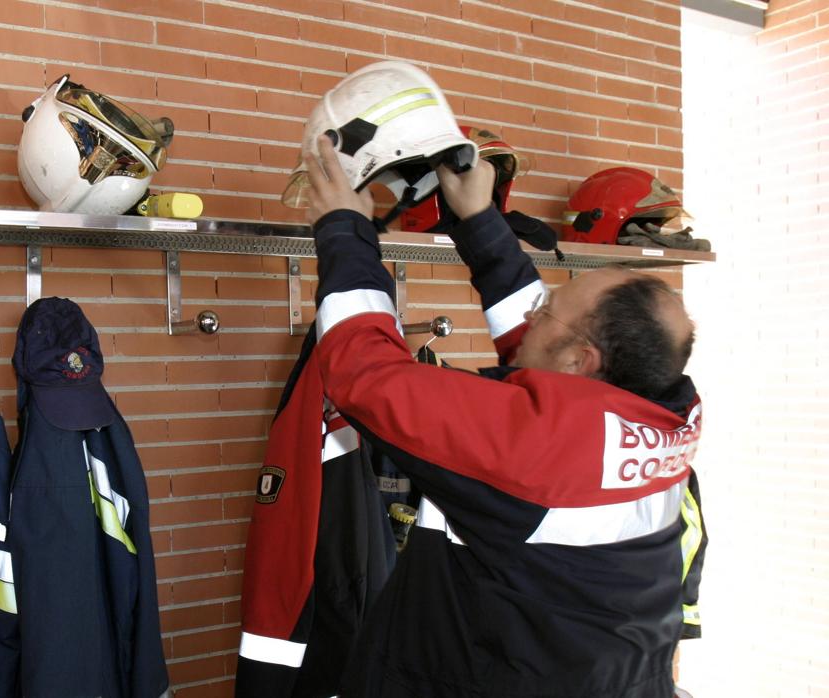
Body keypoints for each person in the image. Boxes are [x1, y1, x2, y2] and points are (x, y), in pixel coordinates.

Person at [301, 134, 704, 698]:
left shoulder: (538, 450)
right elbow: (544, 359)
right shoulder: (660, 412)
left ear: (580, 360)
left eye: (547, 311)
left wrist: (345, 229)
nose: (532, 316)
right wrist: (477, 219)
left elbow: (365, 378)